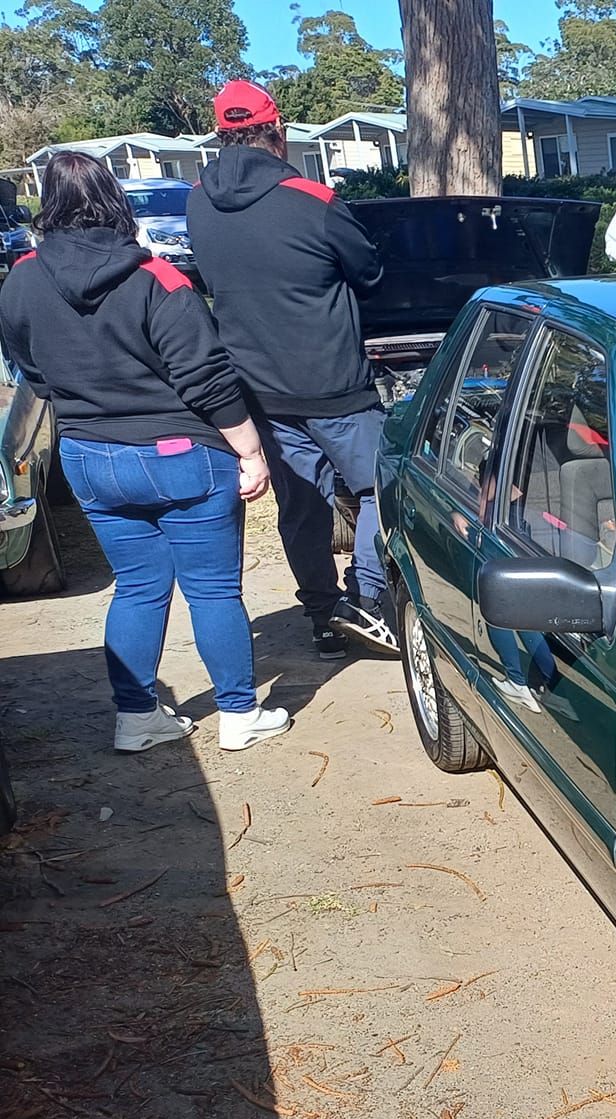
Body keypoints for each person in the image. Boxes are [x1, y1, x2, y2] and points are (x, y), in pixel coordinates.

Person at [0, 152, 290, 752]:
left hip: (89, 456)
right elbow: (207, 379)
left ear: (46, 205)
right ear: (116, 199)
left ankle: (136, 718)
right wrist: (251, 451)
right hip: (182, 454)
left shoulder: (20, 280)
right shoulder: (158, 279)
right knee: (213, 590)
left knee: (136, 587)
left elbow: (31, 371)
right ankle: (239, 714)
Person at [186, 79, 395, 662]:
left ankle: (324, 619)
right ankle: (366, 600)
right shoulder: (315, 200)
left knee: (302, 506)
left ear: (222, 135)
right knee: (380, 488)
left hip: (258, 391)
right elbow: (371, 276)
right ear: (277, 132)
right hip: (335, 386)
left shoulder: (196, 201)